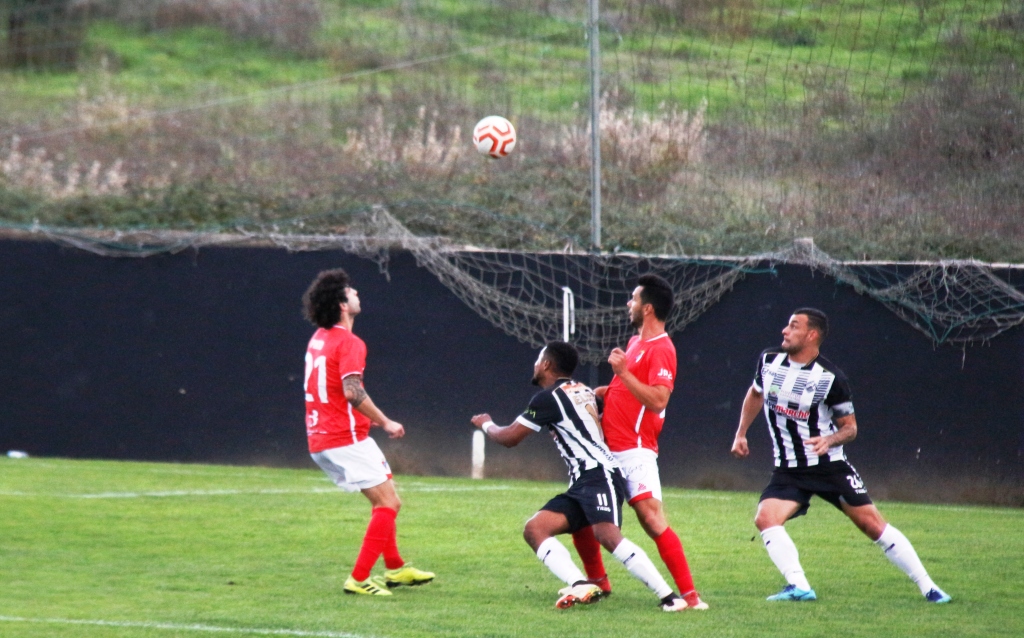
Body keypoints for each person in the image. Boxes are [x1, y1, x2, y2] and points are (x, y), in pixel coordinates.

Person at [730, 307, 951, 604]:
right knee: (766, 518)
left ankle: (929, 587)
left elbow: (850, 428)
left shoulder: (831, 378)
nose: (785, 330)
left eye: (793, 326)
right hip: (788, 469)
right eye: (787, 324)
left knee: (872, 525)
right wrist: (741, 432)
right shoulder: (769, 361)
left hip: (829, 467)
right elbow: (756, 393)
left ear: (812, 335)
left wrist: (829, 440)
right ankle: (799, 587)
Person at [470, 341, 690, 612]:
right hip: (582, 481)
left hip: (600, 474)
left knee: (607, 536)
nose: (536, 365)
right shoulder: (584, 390)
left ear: (547, 364)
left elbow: (509, 438)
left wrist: (486, 423)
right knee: (535, 529)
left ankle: (670, 597)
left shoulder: (548, 398)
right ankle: (580, 583)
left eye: (539, 359)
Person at [570, 274, 707, 610]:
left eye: (632, 299)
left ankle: (691, 598)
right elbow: (628, 391)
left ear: (647, 308)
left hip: (634, 450)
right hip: (605, 449)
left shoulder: (663, 348)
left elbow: (659, 400)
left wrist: (623, 375)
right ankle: (598, 582)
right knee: (581, 514)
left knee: (651, 519)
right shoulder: (635, 343)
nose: (627, 304)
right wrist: (606, 391)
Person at [302, 268, 434, 597]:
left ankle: (395, 568)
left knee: (387, 500)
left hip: (327, 436)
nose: (356, 292)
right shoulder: (349, 342)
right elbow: (351, 391)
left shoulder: (319, 337)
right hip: (343, 438)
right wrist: (386, 421)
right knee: (388, 503)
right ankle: (359, 578)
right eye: (350, 290)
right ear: (342, 304)